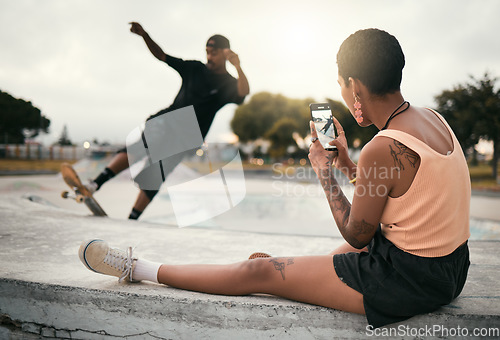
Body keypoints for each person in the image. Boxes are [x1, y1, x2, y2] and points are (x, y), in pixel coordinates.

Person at [78, 28, 470, 328]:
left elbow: (357, 234)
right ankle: (294, 271)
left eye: (340, 83)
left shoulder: (383, 147)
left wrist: (324, 173)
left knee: (260, 272)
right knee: (329, 259)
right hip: (450, 271)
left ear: (354, 85)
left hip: (406, 281)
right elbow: (399, 191)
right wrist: (348, 161)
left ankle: (137, 268)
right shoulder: (432, 118)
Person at [86, 22, 250, 219]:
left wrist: (238, 67)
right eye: (207, 51)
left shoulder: (228, 84)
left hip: (187, 137)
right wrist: (145, 35)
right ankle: (94, 184)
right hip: (167, 121)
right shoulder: (194, 68)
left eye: (213, 53)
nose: (209, 57)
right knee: (140, 148)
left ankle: (132, 218)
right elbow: (163, 56)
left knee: (157, 173)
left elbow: (243, 94)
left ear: (225, 54)